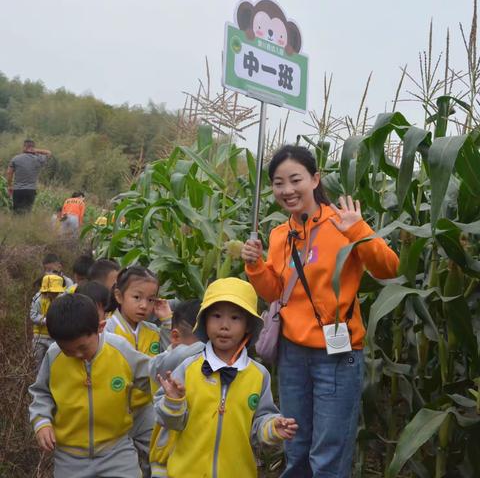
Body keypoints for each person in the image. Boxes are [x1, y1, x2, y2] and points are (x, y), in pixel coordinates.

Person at [241, 145, 400, 478]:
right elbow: (275, 293)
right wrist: (254, 265)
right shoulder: (279, 235)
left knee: (327, 454)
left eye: (295, 179)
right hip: (293, 355)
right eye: (278, 183)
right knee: (296, 449)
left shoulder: (342, 225)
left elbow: (389, 269)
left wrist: (359, 231)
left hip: (337, 357)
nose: (287, 190)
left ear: (315, 179)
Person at [154, 277, 298, 478]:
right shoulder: (189, 368)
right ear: (204, 321)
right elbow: (168, 421)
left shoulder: (258, 375)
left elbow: (259, 423)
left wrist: (272, 428)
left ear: (248, 325)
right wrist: (174, 401)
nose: (224, 325)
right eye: (216, 316)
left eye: (235, 318)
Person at [29, 293, 151, 478]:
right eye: (68, 350)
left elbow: (151, 378)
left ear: (100, 328)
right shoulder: (54, 355)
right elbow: (41, 392)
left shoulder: (119, 349)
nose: (77, 355)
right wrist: (42, 421)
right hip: (70, 457)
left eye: (83, 348)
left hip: (116, 450)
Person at [105, 266, 170, 476]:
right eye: (137, 297)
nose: (144, 305)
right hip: (114, 412)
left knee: (159, 455)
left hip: (144, 409)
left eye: (151, 300)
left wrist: (168, 322)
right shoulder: (106, 330)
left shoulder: (153, 331)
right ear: (118, 295)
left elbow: (170, 358)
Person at [148, 299, 205, 477]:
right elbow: (180, 353)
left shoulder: (173, 353)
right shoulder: (173, 361)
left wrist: (167, 322)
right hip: (167, 454)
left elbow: (174, 347)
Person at [5, 139, 52, 213]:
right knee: (27, 212)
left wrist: (9, 186)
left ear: (24, 147)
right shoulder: (38, 159)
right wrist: (36, 150)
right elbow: (49, 153)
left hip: (17, 190)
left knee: (17, 212)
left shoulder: (15, 158)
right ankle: (26, 224)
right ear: (33, 147)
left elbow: (9, 173)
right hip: (31, 190)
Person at [30, 274, 66, 369]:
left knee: (54, 361)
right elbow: (33, 316)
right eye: (52, 291)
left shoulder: (62, 299)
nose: (55, 293)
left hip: (55, 337)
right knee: (38, 363)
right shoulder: (38, 299)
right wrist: (48, 320)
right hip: (40, 336)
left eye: (56, 291)